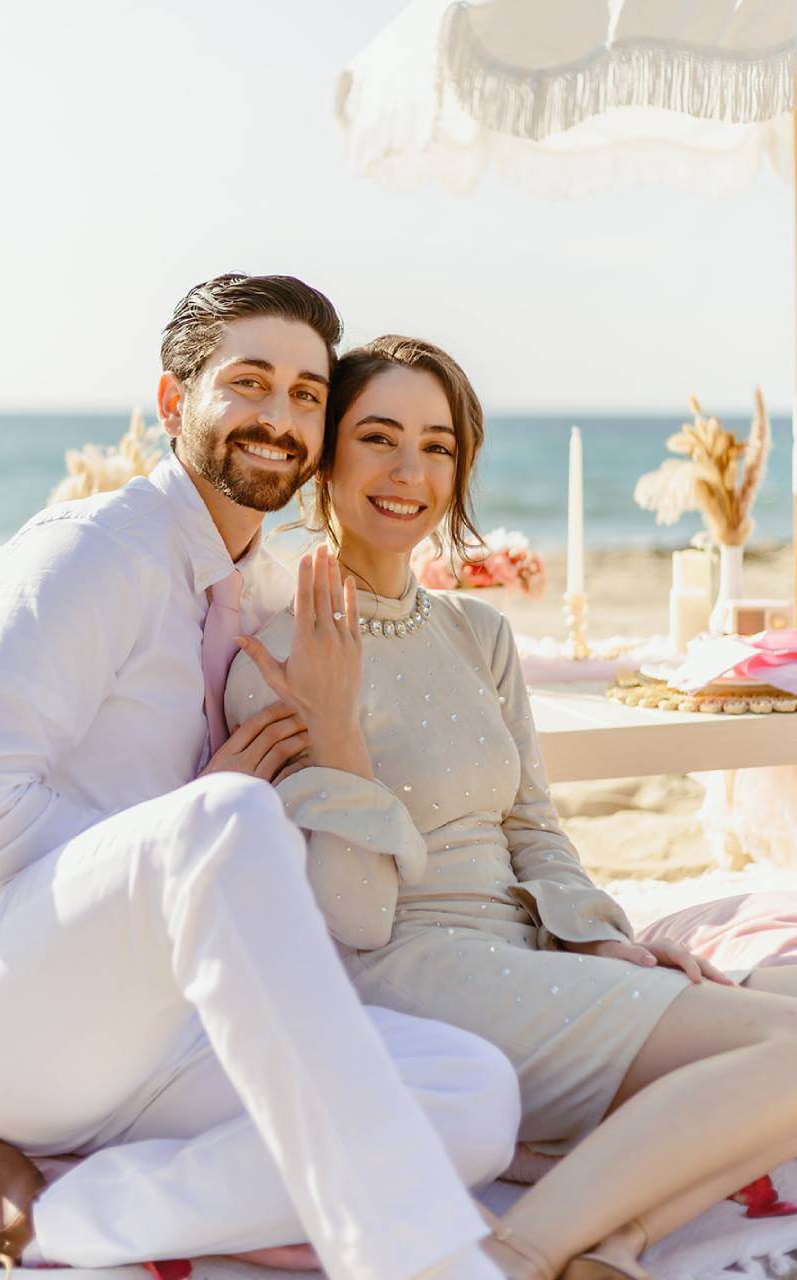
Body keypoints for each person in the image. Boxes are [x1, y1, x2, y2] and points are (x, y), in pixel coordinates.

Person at [0, 279, 521, 1280]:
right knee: (226, 814)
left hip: (151, 1026)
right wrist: (187, 831)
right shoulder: (85, 557)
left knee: (472, 1091)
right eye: (250, 383)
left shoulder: (258, 593)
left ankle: (54, 1213)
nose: (280, 418)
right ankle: (424, 1261)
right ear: (173, 403)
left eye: (305, 393)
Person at [227, 333, 797, 1280]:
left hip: (530, 954)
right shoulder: (281, 658)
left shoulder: (479, 631)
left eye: (439, 445)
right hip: (417, 975)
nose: (411, 470)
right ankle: (518, 1255)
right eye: (378, 437)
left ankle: (613, 1239)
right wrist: (335, 732)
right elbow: (356, 918)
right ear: (326, 457)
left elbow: (534, 823)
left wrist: (599, 936)